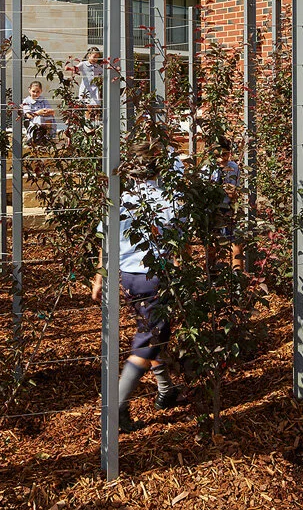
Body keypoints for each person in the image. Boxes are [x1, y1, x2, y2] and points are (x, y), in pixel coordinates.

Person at [91, 141, 184, 433]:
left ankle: (166, 390)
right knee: (147, 341)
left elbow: (104, 241)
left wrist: (99, 276)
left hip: (128, 277)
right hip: (154, 277)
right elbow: (181, 241)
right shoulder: (168, 201)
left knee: (155, 331)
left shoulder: (119, 200)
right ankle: (116, 407)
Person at [21, 80, 56, 145]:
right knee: (39, 118)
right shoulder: (26, 101)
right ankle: (37, 137)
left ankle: (47, 135)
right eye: (33, 91)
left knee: (49, 116)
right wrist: (39, 112)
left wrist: (47, 112)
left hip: (44, 121)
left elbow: (51, 111)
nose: (35, 94)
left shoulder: (43, 100)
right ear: (29, 90)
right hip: (33, 121)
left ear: (41, 91)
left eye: (38, 92)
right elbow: (28, 115)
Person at [76, 47, 103, 120]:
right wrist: (69, 68)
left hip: (95, 89)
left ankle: (97, 125)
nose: (95, 59)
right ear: (89, 55)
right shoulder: (83, 64)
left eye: (97, 58)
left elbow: (104, 73)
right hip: (86, 89)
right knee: (88, 107)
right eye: (94, 57)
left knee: (96, 107)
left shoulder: (98, 67)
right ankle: (87, 123)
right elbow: (76, 69)